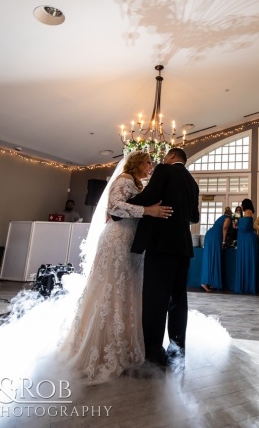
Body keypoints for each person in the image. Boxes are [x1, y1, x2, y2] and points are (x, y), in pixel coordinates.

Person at [62, 151, 172, 382]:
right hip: (118, 238)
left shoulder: (137, 184)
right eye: (148, 162)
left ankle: (126, 343)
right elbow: (113, 207)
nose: (150, 166)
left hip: (130, 239)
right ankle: (103, 347)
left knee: (128, 288)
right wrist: (148, 211)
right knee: (113, 286)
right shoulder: (123, 180)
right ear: (136, 164)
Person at [127, 147, 200, 368]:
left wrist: (127, 202)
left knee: (155, 300)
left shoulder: (165, 170)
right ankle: (177, 352)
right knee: (178, 301)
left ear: (172, 156)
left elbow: (149, 197)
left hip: (162, 245)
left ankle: (153, 358)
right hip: (183, 248)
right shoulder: (192, 182)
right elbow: (194, 216)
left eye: (164, 157)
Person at [201, 211, 231, 292]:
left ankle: (210, 281)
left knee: (211, 257)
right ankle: (205, 282)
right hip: (215, 236)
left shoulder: (221, 218)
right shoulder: (228, 218)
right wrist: (224, 242)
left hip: (211, 235)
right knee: (214, 257)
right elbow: (225, 228)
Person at [232, 199, 257, 295]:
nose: (241, 206)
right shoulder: (247, 213)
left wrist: (237, 225)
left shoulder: (247, 212)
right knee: (245, 259)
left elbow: (245, 226)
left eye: (242, 204)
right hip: (244, 238)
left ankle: (246, 285)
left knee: (246, 259)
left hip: (246, 239)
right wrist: (236, 225)